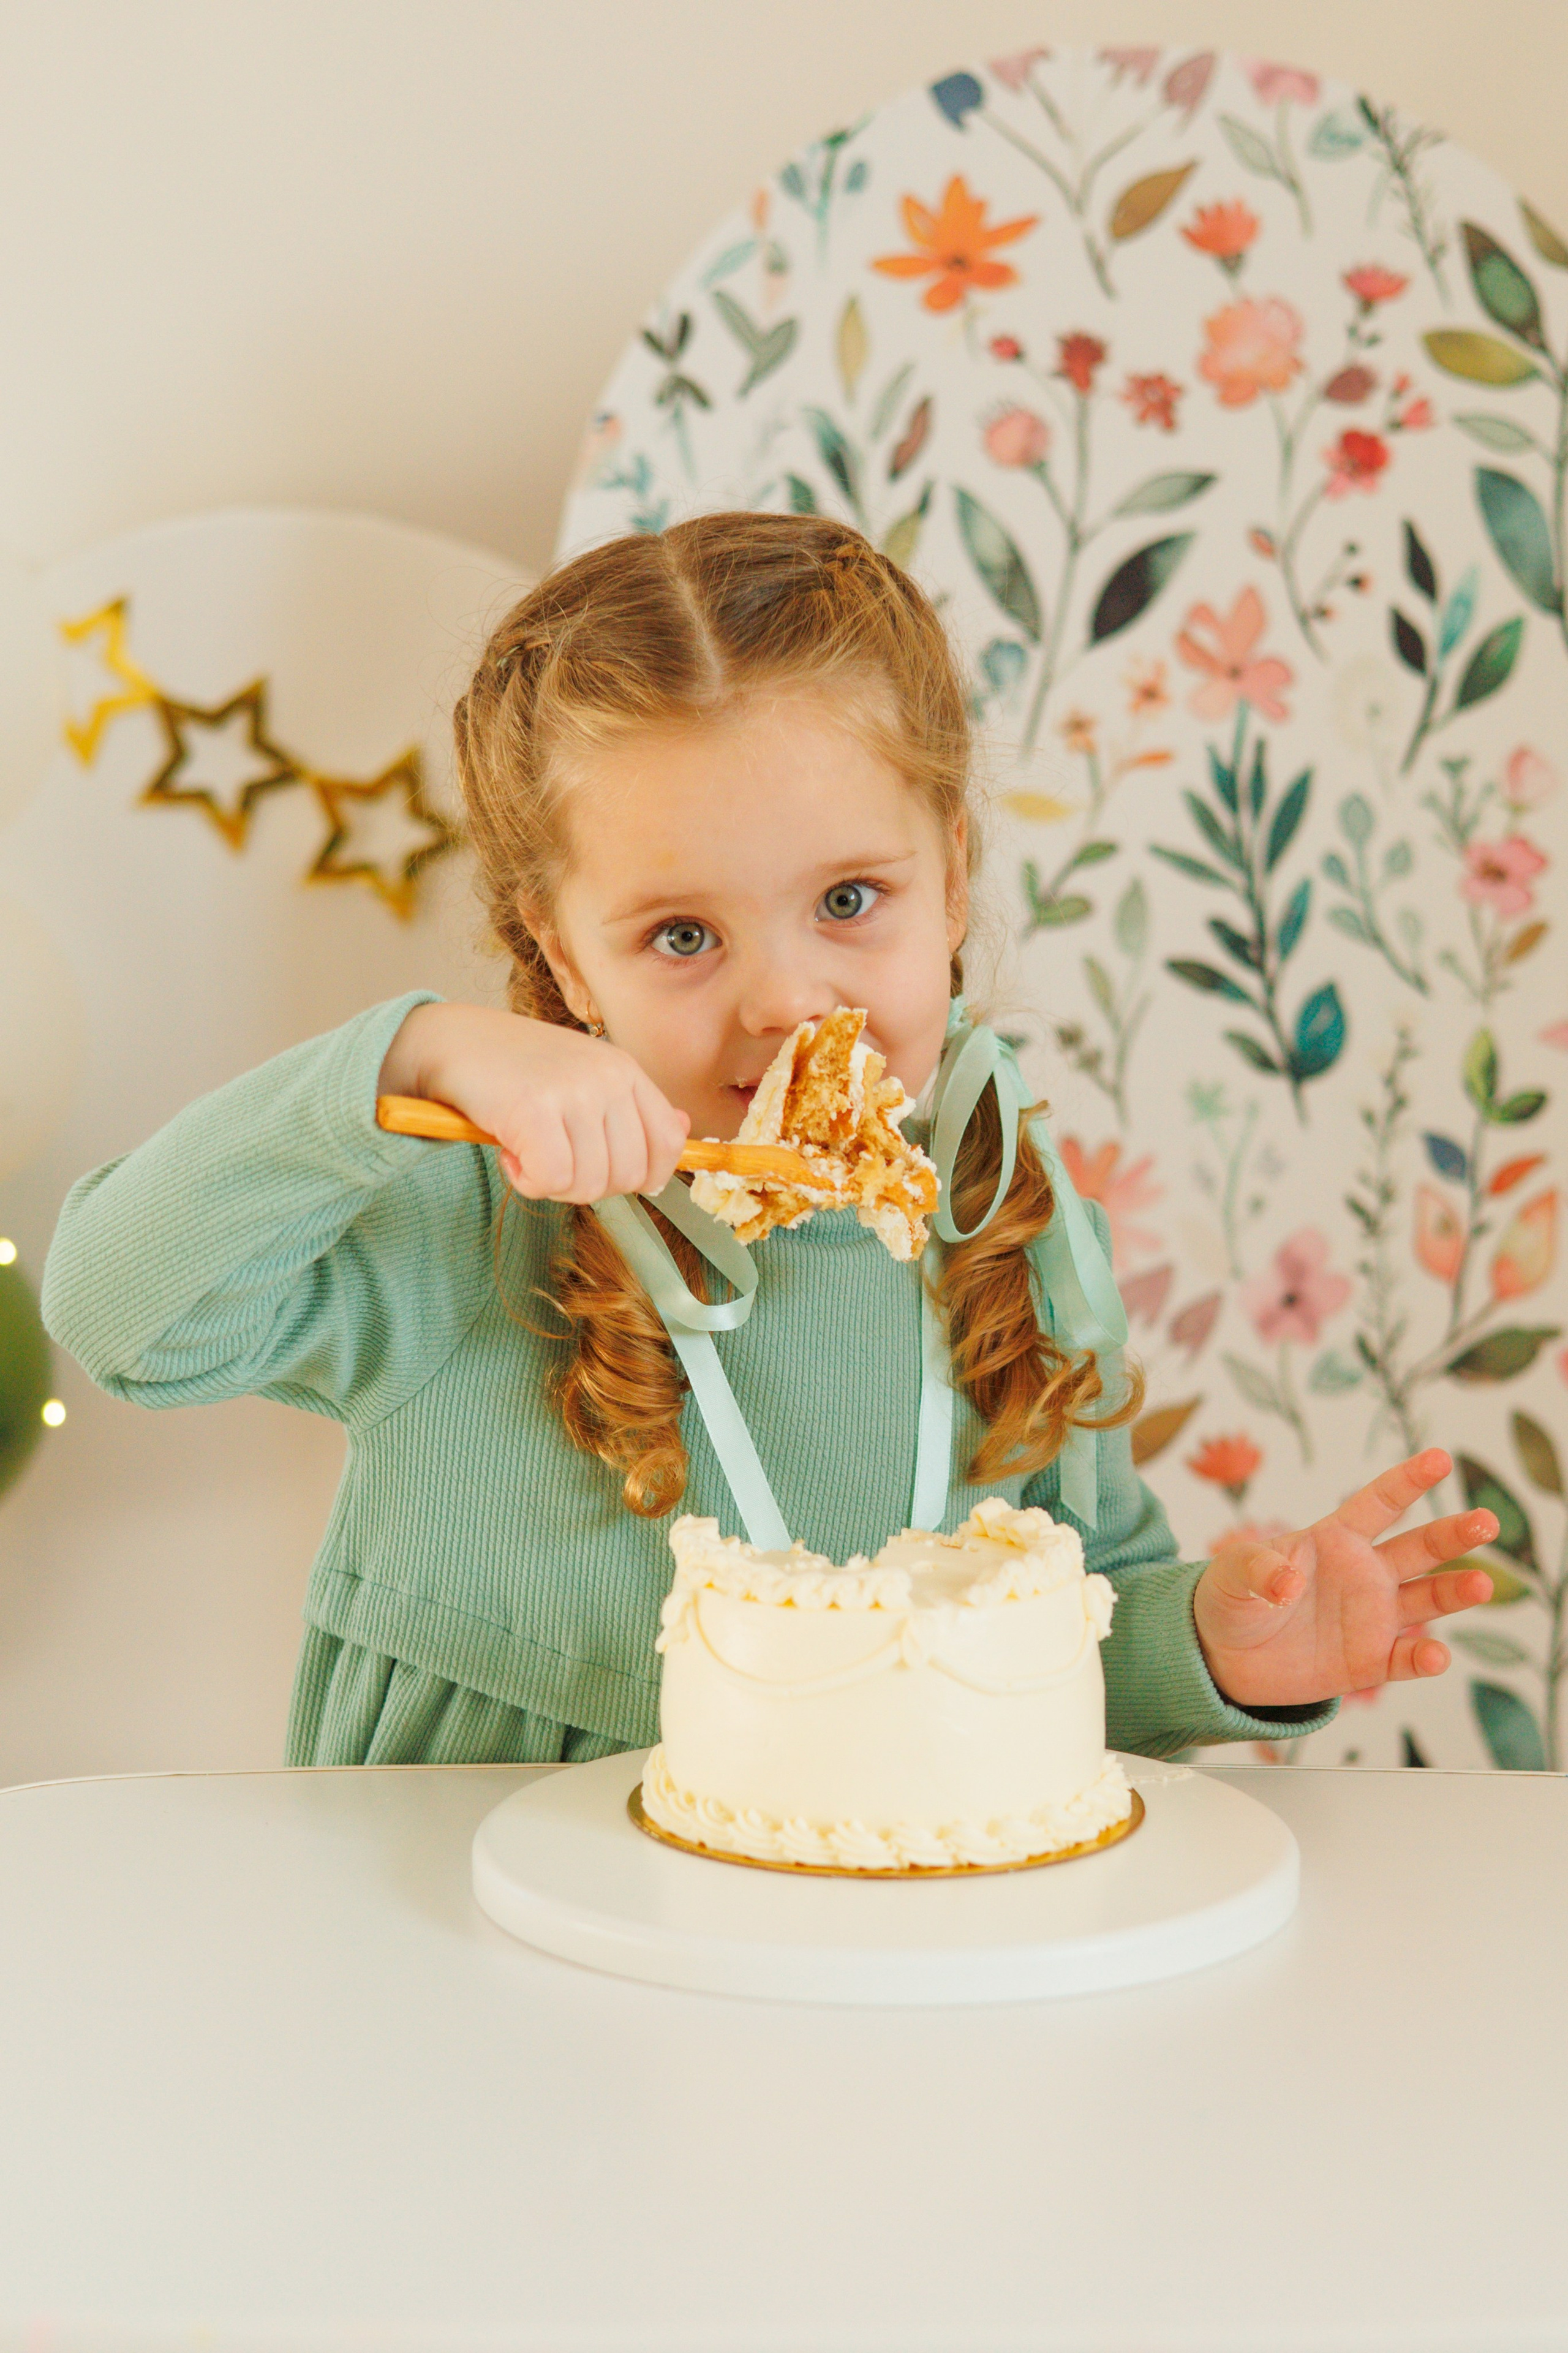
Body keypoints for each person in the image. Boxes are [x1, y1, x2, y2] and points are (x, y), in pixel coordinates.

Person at [42, 513, 1496, 1768]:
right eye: (682, 934)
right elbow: (119, 1318)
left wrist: (1222, 1650)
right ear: (558, 953)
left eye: (850, 901)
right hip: (458, 1963)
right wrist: (410, 1054)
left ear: (950, 876)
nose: (787, 998)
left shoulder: (1011, 1209)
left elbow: (1059, 1640)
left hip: (860, 1975)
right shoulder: (467, 1197)